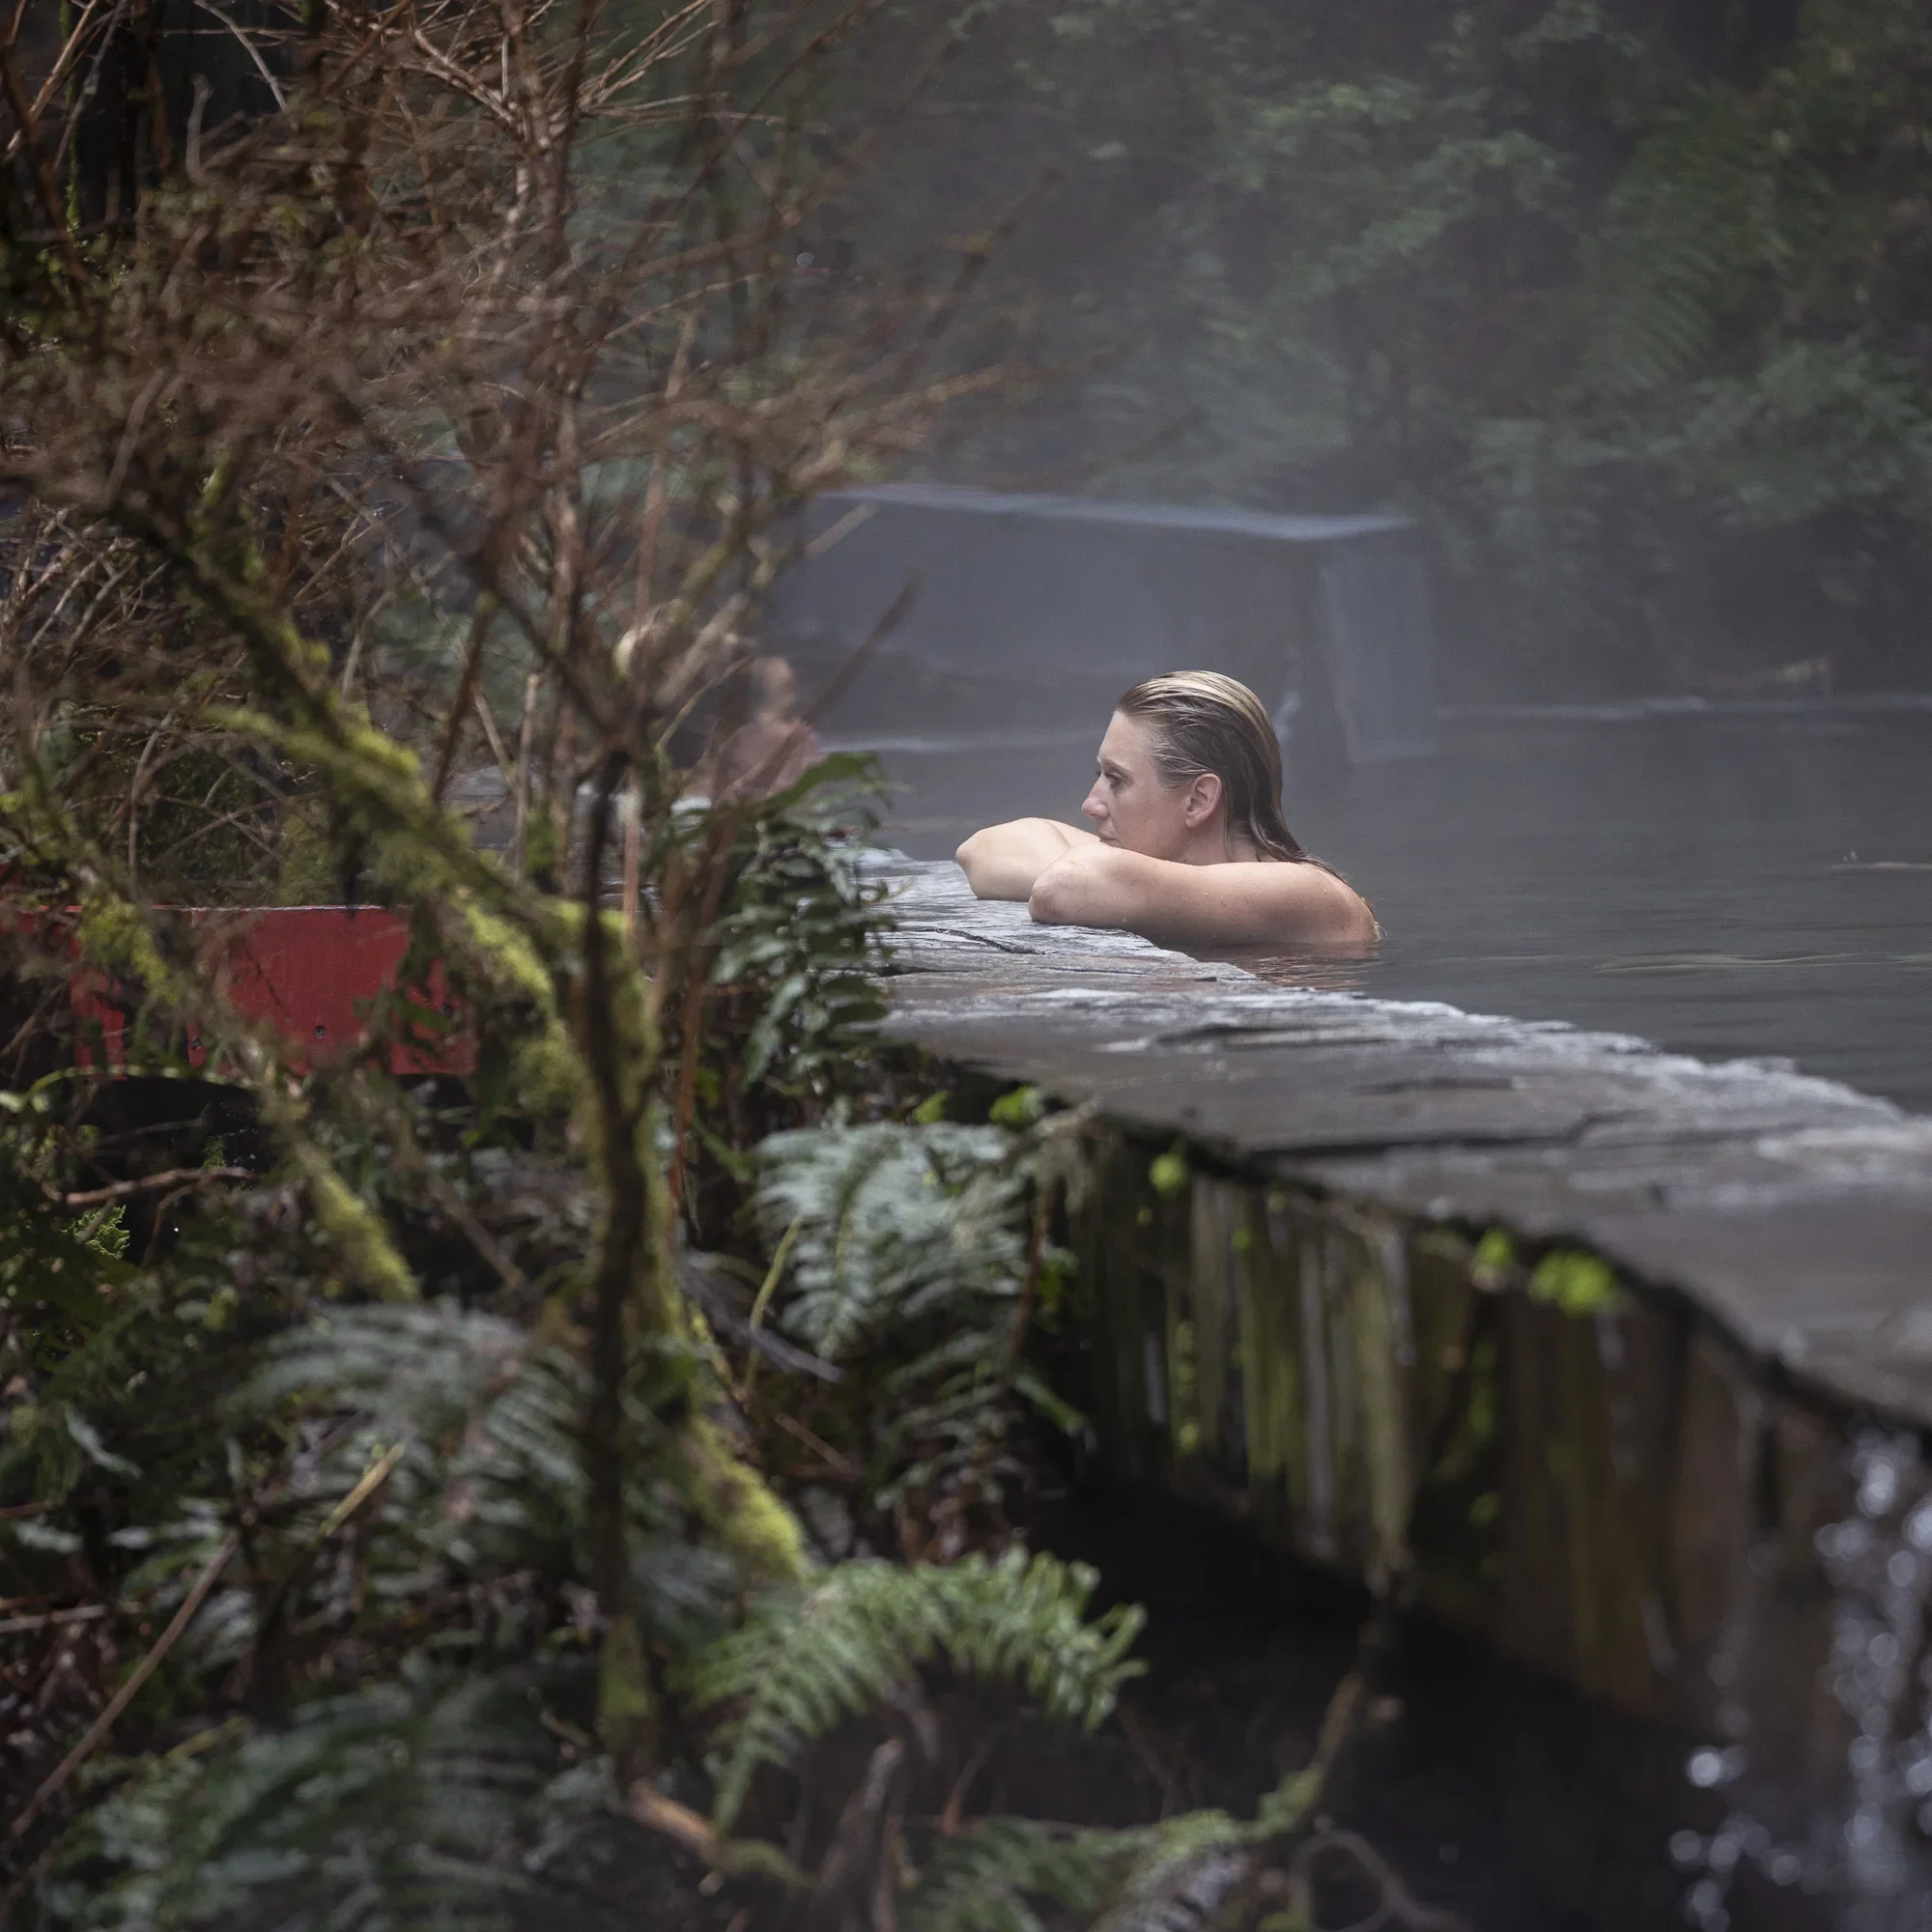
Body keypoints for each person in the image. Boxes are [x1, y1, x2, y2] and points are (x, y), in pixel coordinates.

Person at [955, 670, 1377, 951]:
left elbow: (1063, 888)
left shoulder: (1308, 894)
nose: (1090, 804)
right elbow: (983, 849)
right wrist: (1097, 877)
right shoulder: (1165, 873)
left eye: (1116, 780)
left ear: (1198, 800)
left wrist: (1095, 878)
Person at [706, 655, 820, 803]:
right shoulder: (738, 741)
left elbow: (809, 797)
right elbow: (720, 798)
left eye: (788, 686)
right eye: (784, 687)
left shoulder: (803, 739)